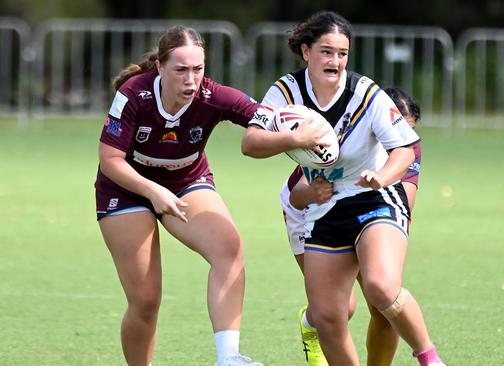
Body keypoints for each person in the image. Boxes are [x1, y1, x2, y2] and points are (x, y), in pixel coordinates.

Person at [241, 11, 445, 366]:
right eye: (326, 52)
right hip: (325, 207)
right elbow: (251, 143)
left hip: (374, 197)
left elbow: (404, 149)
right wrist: (293, 138)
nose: (335, 61)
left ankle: (430, 359)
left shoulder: (365, 93)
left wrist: (382, 177)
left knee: (381, 287)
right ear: (306, 52)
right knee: (328, 316)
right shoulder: (285, 91)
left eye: (342, 53)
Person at [95, 25, 262, 366]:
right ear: (160, 66)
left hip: (185, 179)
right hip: (127, 188)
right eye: (181, 70)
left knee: (229, 248)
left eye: (198, 70)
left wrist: (305, 132)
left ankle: (228, 358)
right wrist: (152, 191)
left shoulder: (213, 96)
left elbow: (268, 119)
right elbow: (110, 161)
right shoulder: (133, 94)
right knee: (145, 301)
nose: (191, 80)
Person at [277, 86, 422, 366]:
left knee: (385, 306)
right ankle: (311, 324)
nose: (400, 137)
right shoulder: (346, 133)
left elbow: (404, 201)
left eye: (407, 129)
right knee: (342, 308)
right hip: (307, 210)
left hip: (366, 210)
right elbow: (299, 195)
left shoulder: (407, 146)